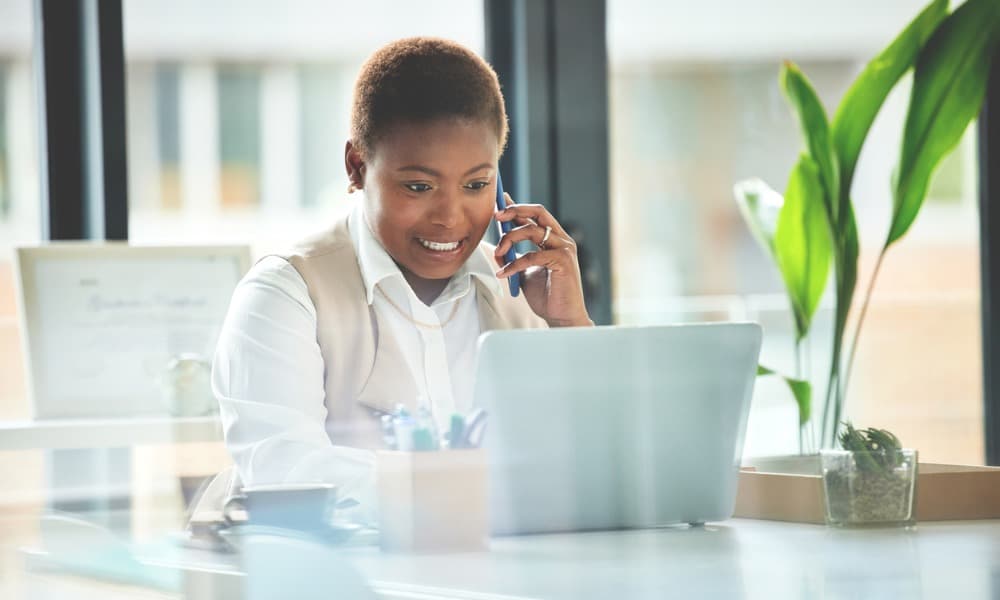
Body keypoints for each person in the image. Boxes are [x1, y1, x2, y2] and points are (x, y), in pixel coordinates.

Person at [207, 37, 592, 523]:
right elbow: (285, 471)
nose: (452, 218)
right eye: (419, 187)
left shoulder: (518, 292)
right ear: (357, 166)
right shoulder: (285, 293)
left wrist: (570, 324)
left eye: (476, 184)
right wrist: (466, 492)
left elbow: (598, 464)